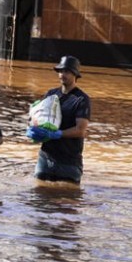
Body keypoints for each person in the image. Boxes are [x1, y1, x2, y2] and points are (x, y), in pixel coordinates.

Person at [27, 56, 91, 184]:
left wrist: (58, 134)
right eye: (60, 71)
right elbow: (38, 117)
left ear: (75, 75)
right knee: (38, 197)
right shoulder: (51, 94)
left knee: (67, 200)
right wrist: (32, 127)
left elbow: (80, 130)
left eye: (67, 71)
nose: (62, 74)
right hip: (46, 158)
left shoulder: (82, 99)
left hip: (69, 162)